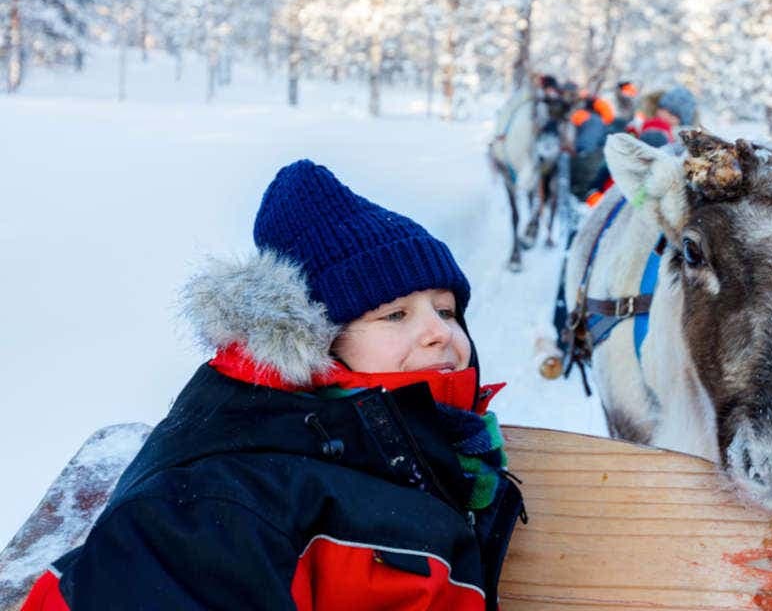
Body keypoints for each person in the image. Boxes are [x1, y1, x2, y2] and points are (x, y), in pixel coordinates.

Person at [22, 160, 525, 611]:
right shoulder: (222, 506)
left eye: (446, 310)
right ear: (315, 346)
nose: (440, 331)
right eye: (395, 314)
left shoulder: (426, 452)